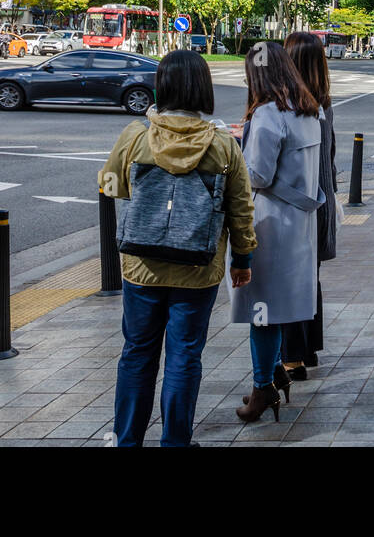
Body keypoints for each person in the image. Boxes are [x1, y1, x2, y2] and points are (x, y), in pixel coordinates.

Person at [99, 49, 256, 448]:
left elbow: (110, 185)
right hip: (197, 270)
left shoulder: (135, 137)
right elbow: (241, 209)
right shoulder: (223, 145)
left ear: (161, 87)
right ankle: (175, 441)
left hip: (142, 266)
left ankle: (128, 440)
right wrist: (243, 259)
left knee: (137, 352)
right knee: (184, 356)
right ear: (203, 90)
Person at [231, 42, 324, 424]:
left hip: (269, 221)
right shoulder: (308, 111)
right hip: (299, 224)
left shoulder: (269, 115)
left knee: (261, 310)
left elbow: (257, 175)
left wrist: (235, 149)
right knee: (277, 308)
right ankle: (274, 374)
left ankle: (262, 388)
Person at [280, 31, 337, 381]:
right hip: (321, 202)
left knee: (288, 280)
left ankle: (292, 358)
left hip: (295, 206)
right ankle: (309, 347)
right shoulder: (323, 103)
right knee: (308, 275)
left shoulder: (288, 105)